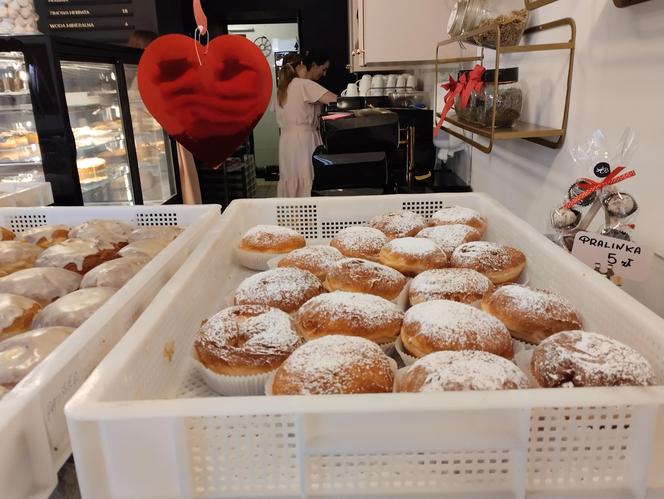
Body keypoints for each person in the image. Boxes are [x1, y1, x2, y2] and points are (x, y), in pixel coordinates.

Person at [127, 30, 202, 204]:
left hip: (169, 144)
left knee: (178, 188)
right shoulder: (146, 80)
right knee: (174, 191)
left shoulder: (150, 79)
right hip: (161, 147)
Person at [276, 50, 337, 197]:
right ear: (302, 65)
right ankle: (309, 217)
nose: (324, 74)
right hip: (305, 141)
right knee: (307, 177)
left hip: (286, 142)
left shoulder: (283, 88)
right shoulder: (304, 85)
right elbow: (337, 100)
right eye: (324, 69)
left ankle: (294, 217)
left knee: (291, 179)